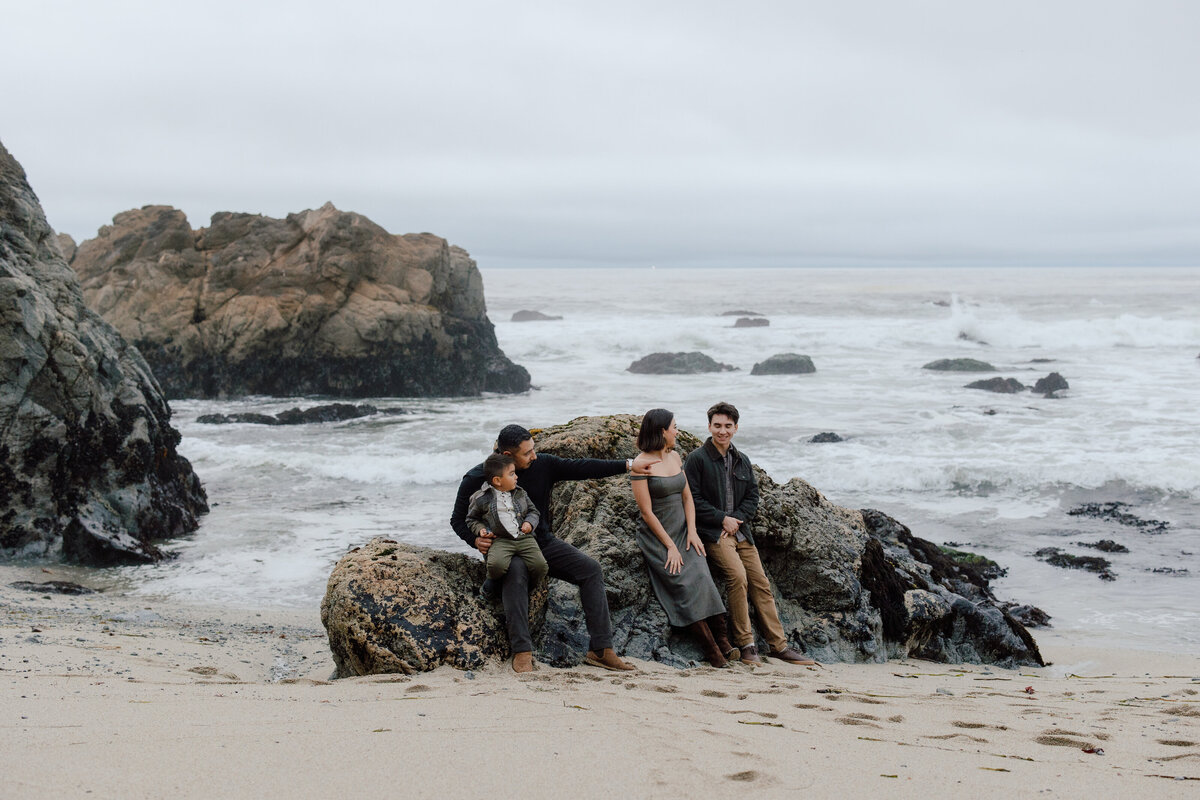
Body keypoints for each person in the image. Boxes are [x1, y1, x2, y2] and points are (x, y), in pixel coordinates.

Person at [451, 424, 656, 673]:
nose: (533, 456)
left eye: (533, 450)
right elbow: (458, 520)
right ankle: (522, 652)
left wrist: (628, 464)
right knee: (516, 574)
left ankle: (601, 650)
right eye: (527, 453)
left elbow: (582, 467)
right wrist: (475, 540)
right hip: (504, 548)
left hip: (542, 542)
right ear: (507, 456)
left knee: (590, 569)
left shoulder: (542, 465)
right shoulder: (477, 478)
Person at [684, 401, 816, 666]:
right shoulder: (697, 459)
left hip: (742, 533)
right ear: (709, 426)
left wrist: (737, 520)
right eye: (717, 425)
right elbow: (691, 498)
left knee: (762, 584)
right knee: (738, 578)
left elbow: (753, 497)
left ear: (736, 428)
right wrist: (722, 519)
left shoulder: (742, 460)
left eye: (728, 426)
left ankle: (779, 646)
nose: (722, 431)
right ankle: (747, 645)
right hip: (714, 534)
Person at [630, 408, 737, 668]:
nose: (677, 431)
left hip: (683, 530)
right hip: (659, 536)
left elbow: (687, 497)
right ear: (661, 432)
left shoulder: (676, 456)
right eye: (674, 427)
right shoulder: (640, 464)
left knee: (702, 573)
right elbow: (646, 513)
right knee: (682, 583)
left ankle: (723, 641)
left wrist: (692, 531)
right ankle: (711, 649)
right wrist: (670, 547)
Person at [465, 453, 548, 585]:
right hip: (500, 540)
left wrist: (529, 523)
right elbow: (471, 519)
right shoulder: (480, 498)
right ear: (497, 480)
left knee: (540, 566)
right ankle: (490, 584)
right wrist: (480, 530)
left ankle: (533, 587)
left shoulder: (520, 493)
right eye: (512, 474)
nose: (516, 477)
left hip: (524, 538)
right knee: (495, 566)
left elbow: (534, 511)